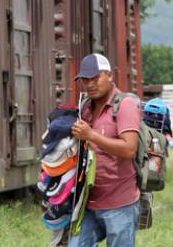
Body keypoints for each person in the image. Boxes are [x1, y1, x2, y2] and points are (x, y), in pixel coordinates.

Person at [69, 53, 141, 247]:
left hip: (120, 204)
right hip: (90, 203)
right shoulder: (85, 108)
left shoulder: (124, 105)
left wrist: (91, 135)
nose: (90, 84)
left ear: (109, 76)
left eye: (95, 78)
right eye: (85, 79)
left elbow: (129, 149)